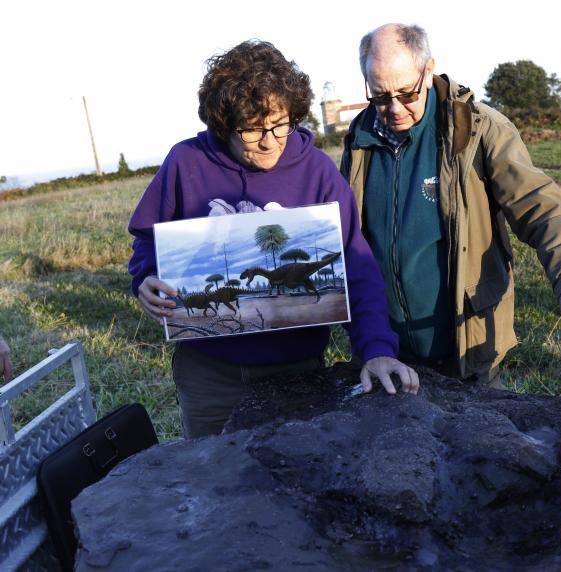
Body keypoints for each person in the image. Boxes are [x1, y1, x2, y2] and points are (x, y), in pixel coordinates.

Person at [128, 40, 418, 438]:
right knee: (212, 476)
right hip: (210, 374)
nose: (269, 141)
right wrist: (145, 278)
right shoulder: (184, 163)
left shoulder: (317, 170)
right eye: (252, 130)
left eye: (281, 124)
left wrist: (377, 350)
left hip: (297, 370)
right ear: (223, 124)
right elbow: (147, 239)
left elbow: (356, 266)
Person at [340, 24, 561, 386]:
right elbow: (349, 238)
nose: (394, 108)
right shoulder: (358, 141)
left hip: (467, 353)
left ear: (428, 70)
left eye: (406, 94)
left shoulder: (479, 129)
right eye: (379, 96)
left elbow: (541, 207)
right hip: (389, 355)